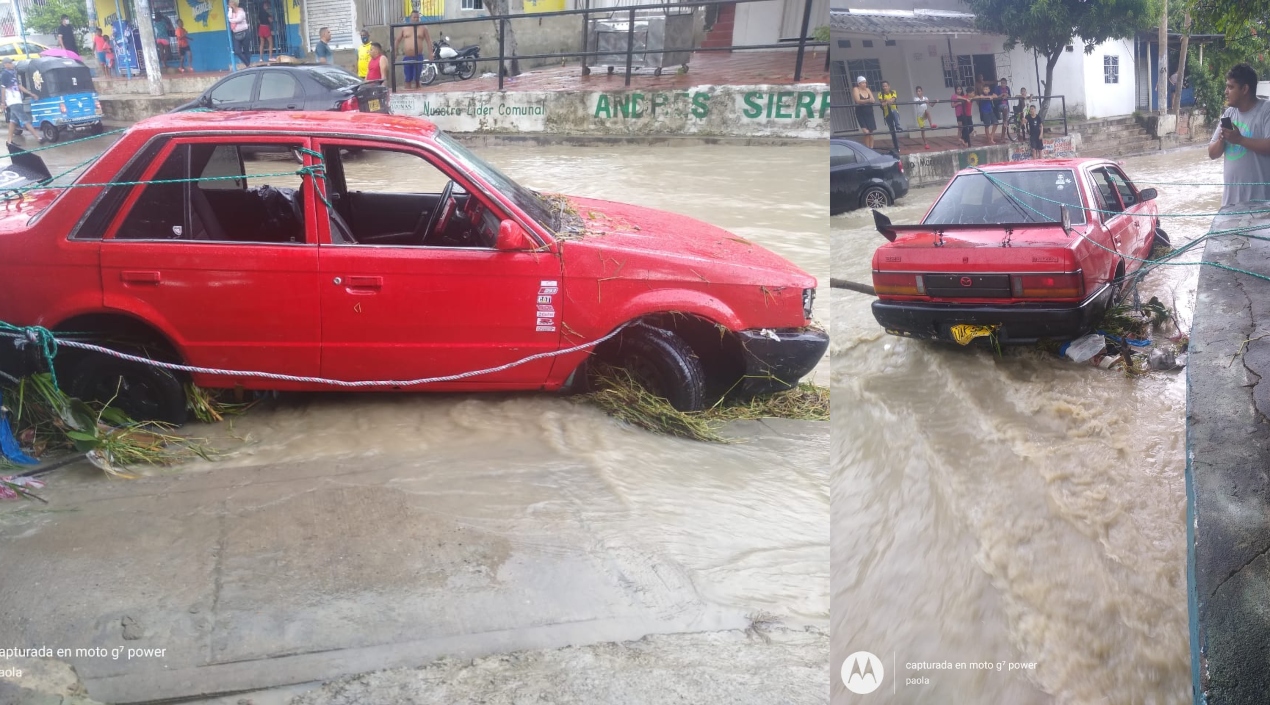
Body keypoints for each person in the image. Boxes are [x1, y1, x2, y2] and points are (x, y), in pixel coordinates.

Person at [1208, 63, 1270, 206]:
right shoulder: (1229, 113)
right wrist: (1222, 140)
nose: (1226, 91)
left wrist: (1240, 139)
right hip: (1230, 204)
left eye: (1230, 87)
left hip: (1262, 205)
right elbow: (1212, 153)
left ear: (1244, 89)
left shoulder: (1266, 110)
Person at [1, 58, 42, 143]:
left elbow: (19, 86)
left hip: (17, 100)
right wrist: (3, 102)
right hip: (13, 101)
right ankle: (38, 137)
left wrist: (31, 94)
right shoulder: (4, 74)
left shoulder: (13, 73)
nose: (12, 64)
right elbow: (3, 89)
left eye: (12, 62)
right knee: (25, 119)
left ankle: (9, 141)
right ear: (5, 65)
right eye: (10, 63)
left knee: (13, 121)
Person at [395, 10, 432, 90]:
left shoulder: (423, 28)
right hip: (407, 57)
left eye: (417, 17)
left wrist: (431, 54)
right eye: (414, 17)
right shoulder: (404, 28)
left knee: (417, 79)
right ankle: (407, 94)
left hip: (418, 57)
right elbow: (397, 40)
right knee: (408, 78)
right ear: (410, 18)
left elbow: (428, 41)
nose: (416, 19)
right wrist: (395, 52)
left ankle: (418, 96)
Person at [851, 76, 876, 149]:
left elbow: (873, 99)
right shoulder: (856, 89)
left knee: (871, 133)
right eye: (862, 83)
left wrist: (870, 100)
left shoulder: (867, 89)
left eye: (865, 83)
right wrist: (868, 100)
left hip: (869, 112)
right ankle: (866, 148)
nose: (864, 84)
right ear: (859, 84)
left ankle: (871, 148)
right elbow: (858, 101)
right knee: (866, 132)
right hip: (861, 113)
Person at [878, 80, 901, 153]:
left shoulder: (893, 92)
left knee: (893, 111)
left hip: (894, 112)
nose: (884, 88)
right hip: (887, 114)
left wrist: (885, 101)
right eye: (883, 86)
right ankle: (896, 147)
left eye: (886, 86)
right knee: (892, 131)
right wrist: (887, 101)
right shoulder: (880, 94)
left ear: (889, 86)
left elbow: (893, 100)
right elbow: (881, 101)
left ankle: (898, 126)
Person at [228, 0, 251, 68]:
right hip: (236, 33)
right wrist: (230, 9)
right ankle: (248, 65)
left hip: (244, 32)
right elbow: (229, 16)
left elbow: (239, 19)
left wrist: (231, 20)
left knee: (246, 50)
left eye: (230, 2)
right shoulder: (231, 12)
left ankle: (248, 66)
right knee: (237, 51)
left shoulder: (241, 11)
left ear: (233, 3)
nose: (229, 4)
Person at [913, 85, 936, 150]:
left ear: (922, 91)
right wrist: (924, 101)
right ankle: (926, 143)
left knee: (927, 111)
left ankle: (931, 124)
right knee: (923, 130)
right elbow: (919, 103)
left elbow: (931, 105)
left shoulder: (925, 98)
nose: (918, 93)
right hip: (919, 117)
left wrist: (935, 102)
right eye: (917, 91)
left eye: (919, 91)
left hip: (924, 114)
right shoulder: (915, 98)